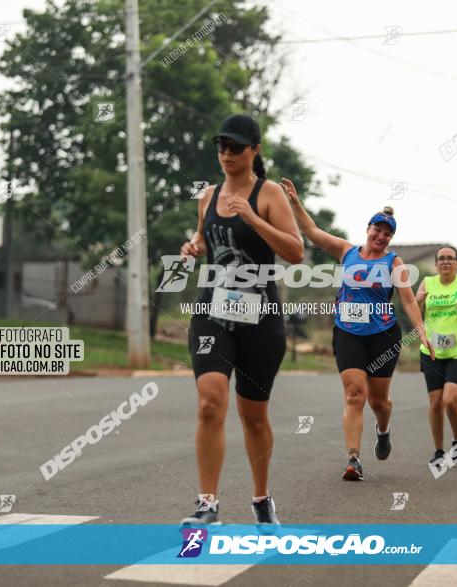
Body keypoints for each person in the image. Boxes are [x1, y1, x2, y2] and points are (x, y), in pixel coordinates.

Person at [178, 114, 304, 527]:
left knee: (252, 415)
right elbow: (203, 234)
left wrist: (251, 217)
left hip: (260, 317)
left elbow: (296, 252)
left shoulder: (268, 194)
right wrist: (193, 245)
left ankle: (262, 498)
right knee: (210, 402)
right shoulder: (208, 195)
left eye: (235, 147)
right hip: (213, 312)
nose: (227, 154)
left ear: (255, 150)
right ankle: (207, 503)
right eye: (221, 147)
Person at [283, 179, 434, 481]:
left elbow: (407, 299)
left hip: (382, 336)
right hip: (348, 332)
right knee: (355, 395)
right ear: (368, 229)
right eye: (377, 229)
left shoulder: (395, 262)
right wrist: (295, 203)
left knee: (379, 402)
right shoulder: (346, 251)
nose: (381, 236)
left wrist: (421, 332)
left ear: (391, 238)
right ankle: (353, 459)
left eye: (387, 233)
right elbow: (312, 232)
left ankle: (383, 429)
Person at [415, 245, 457, 468]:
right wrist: (418, 300)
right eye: (441, 259)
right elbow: (412, 309)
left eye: (450, 258)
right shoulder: (428, 283)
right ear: (436, 264)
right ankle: (438, 450)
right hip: (431, 351)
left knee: (450, 401)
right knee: (435, 403)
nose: (445, 262)